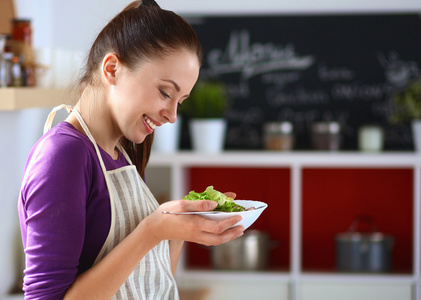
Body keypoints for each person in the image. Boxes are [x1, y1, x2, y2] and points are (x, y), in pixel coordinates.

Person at [17, 1, 244, 299]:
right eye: (165, 92)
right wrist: (152, 230)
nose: (172, 115)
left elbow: (149, 286)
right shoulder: (64, 155)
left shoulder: (123, 153)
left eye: (181, 101)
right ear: (112, 69)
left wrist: (179, 228)